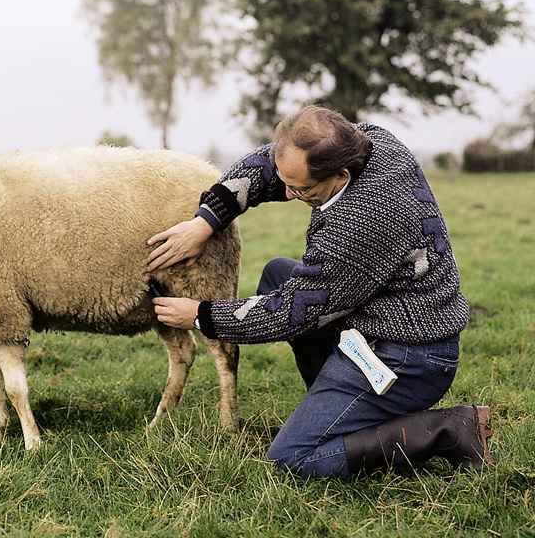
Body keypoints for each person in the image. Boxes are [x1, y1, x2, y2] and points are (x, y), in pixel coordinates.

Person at [147, 105, 492, 479]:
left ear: (341, 175)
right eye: (287, 183)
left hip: (408, 356)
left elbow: (290, 311)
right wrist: (206, 220)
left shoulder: (362, 223)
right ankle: (340, 405)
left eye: (303, 188)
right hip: (379, 317)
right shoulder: (373, 141)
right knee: (278, 272)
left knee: (293, 457)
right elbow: (266, 165)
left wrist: (200, 315)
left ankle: (447, 430)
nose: (291, 194)